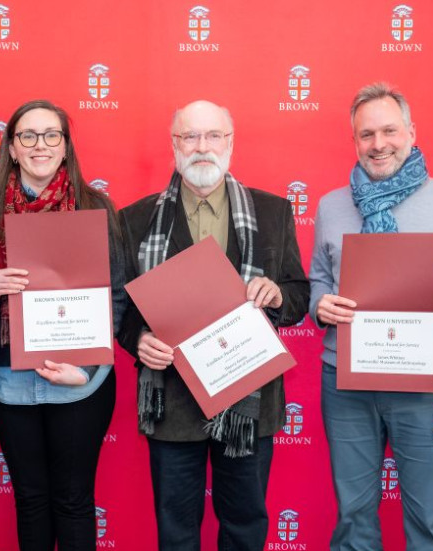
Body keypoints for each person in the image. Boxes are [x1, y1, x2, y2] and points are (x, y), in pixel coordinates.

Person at [118, 100, 309, 551]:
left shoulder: (273, 212)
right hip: (173, 405)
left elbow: (299, 294)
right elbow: (122, 311)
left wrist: (278, 295)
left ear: (230, 142)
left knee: (244, 525)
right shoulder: (136, 219)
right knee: (176, 530)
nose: (202, 147)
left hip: (249, 399)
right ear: (174, 145)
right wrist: (139, 341)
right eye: (190, 136)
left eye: (213, 136)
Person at [309, 82, 433, 550]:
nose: (378, 143)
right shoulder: (330, 206)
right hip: (346, 387)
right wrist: (320, 306)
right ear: (355, 141)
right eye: (366, 134)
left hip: (425, 389)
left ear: (410, 132)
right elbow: (319, 283)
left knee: (428, 522)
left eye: (389, 130)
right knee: (352, 519)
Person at [0, 99, 124, 551]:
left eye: (51, 135)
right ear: (11, 148)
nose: (39, 145)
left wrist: (88, 372)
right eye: (28, 135)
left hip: (82, 379)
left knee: (74, 500)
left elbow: (118, 293)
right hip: (9, 378)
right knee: (31, 499)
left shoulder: (96, 208)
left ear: (65, 147)